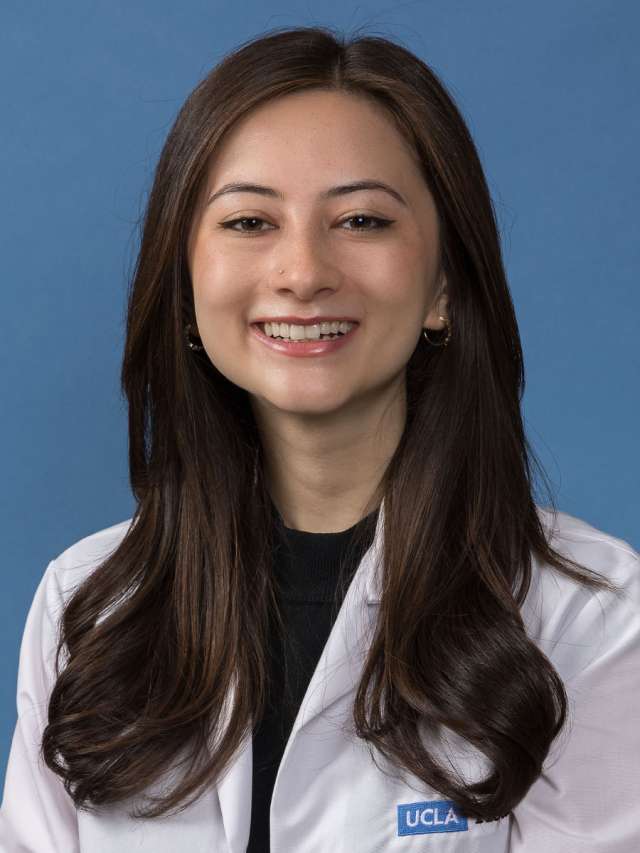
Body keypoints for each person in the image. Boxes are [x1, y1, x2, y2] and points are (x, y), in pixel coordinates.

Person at [1, 24, 638, 853]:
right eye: (248, 222)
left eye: (363, 219)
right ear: (186, 283)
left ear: (444, 285)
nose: (302, 272)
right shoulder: (85, 607)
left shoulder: (590, 619)